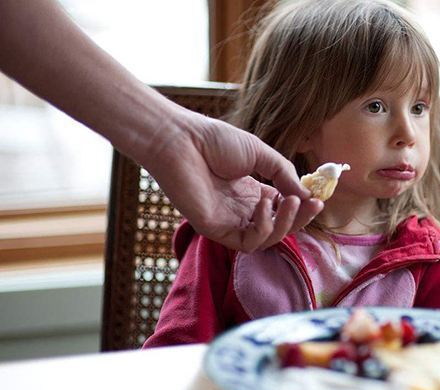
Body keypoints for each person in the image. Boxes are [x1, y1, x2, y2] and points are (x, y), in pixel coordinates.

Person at [144, 0, 440, 348]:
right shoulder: (231, 238)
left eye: (418, 107)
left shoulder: (438, 263)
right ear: (302, 127)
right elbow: (175, 358)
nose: (408, 133)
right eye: (376, 106)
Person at [0, 0, 323, 252]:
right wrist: (167, 138)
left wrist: (168, 138)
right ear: (305, 128)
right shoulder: (231, 247)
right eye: (373, 107)